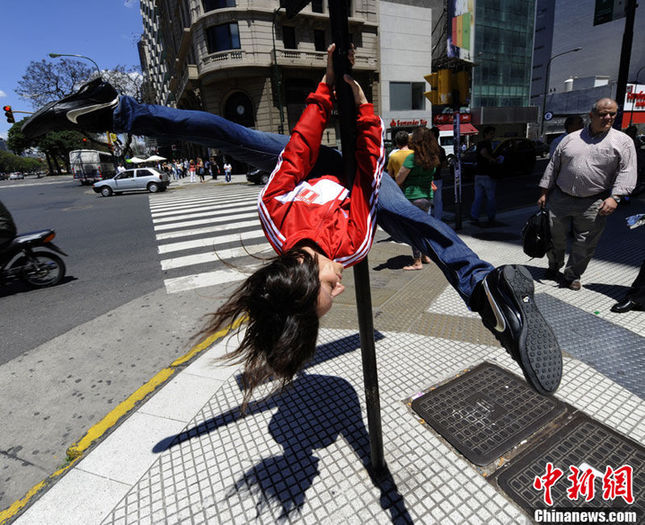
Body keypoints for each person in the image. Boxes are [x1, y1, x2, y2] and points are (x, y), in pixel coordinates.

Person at [21, 44, 563, 402]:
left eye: (330, 287)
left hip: (314, 163)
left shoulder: (275, 217)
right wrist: (367, 116)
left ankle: (486, 288)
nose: (341, 280)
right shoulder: (350, 244)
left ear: (304, 272)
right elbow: (368, 178)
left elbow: (300, 149)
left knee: (238, 139)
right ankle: (494, 296)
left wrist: (327, 92)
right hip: (355, 175)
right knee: (392, 210)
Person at [538, 98, 637, 290]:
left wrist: (615, 197)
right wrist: (544, 192)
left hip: (594, 201)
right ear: (591, 116)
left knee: (585, 243)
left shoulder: (623, 142)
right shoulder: (571, 138)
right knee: (553, 236)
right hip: (560, 197)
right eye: (602, 114)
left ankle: (572, 275)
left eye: (612, 114)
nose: (608, 117)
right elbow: (553, 166)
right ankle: (554, 265)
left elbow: (628, 171)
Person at [395, 127, 437, 270]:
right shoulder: (432, 157)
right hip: (427, 197)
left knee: (413, 231)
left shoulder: (412, 158)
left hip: (412, 198)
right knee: (423, 229)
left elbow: (399, 179)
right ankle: (425, 256)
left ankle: (417, 262)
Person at [470, 126, 502, 225]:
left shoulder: (479, 144)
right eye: (491, 134)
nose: (492, 136)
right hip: (487, 174)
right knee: (490, 197)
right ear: (486, 134)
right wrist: (492, 159)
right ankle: (491, 216)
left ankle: (474, 216)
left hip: (478, 174)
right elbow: (483, 152)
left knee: (478, 197)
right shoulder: (486, 144)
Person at [430, 126, 447, 221]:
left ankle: (427, 221)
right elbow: (444, 165)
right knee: (438, 201)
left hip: (427, 179)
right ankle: (438, 220)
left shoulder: (426, 150)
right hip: (438, 178)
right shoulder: (441, 150)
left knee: (427, 201)